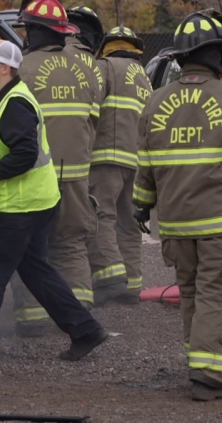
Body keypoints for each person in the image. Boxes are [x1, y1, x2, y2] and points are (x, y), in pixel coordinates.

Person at [133, 11, 222, 401]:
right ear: (216, 53)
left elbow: (145, 168)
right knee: (217, 295)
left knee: (193, 295)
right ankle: (210, 378)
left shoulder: (156, 102)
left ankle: (200, 367)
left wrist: (140, 207)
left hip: (176, 226)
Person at [0, 41, 108, 366]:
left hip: (20, 207)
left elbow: (24, 153)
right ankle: (85, 330)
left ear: (4, 68)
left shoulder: (16, 104)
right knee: (35, 269)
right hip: (34, 202)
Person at [8, 0, 100, 338]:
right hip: (76, 171)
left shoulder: (21, 69)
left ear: (33, 32)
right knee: (72, 242)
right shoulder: (85, 68)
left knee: (32, 246)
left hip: (34, 175)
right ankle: (78, 315)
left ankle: (34, 318)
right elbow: (94, 121)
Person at [87, 26, 152, 305]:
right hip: (136, 160)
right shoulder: (144, 77)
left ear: (108, 46)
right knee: (130, 222)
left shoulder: (103, 67)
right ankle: (133, 286)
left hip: (106, 157)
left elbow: (90, 109)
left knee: (102, 215)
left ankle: (110, 277)